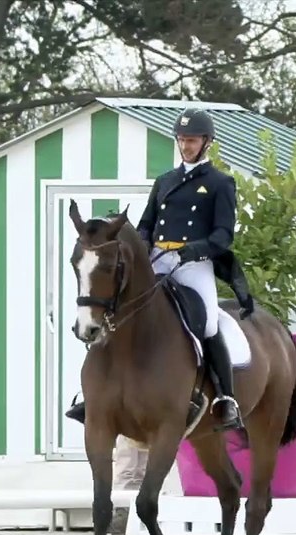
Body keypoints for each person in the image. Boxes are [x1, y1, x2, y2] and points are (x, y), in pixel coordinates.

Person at [65, 107, 255, 431]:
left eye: (192, 140)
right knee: (118, 310)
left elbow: (223, 235)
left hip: (194, 265)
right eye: (182, 140)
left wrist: (194, 249)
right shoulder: (165, 181)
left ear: (206, 142)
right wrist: (139, 245)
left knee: (209, 323)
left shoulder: (220, 183)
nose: (186, 146)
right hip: (157, 260)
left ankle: (225, 398)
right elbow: (146, 224)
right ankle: (94, 394)